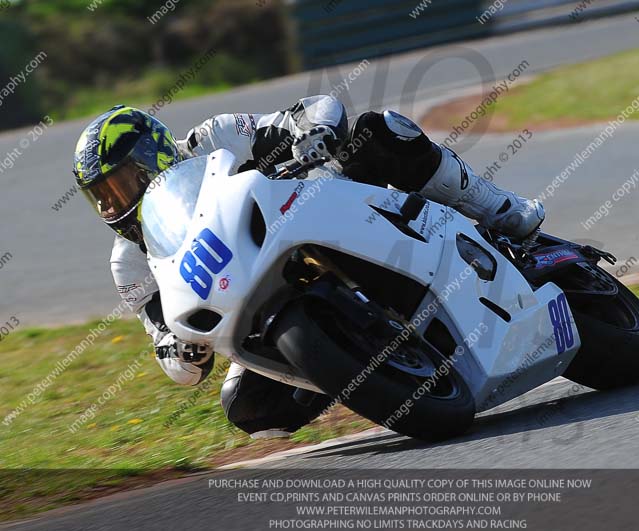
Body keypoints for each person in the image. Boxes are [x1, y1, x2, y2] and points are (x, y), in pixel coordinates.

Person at [72, 96, 545, 438]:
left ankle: (497, 208)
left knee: (377, 130)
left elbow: (313, 109)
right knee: (248, 407)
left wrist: (313, 136)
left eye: (123, 185)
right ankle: (358, 365)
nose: (117, 204)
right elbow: (167, 349)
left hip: (330, 211)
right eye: (103, 198)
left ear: (152, 154)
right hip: (257, 301)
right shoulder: (130, 262)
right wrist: (183, 352)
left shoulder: (213, 138)